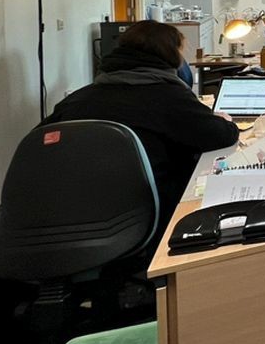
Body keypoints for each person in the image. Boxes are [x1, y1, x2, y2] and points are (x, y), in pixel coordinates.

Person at [44, 21, 239, 231]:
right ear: (171, 55)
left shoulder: (75, 101)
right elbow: (221, 136)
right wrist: (225, 121)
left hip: (62, 218)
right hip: (146, 215)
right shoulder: (169, 97)